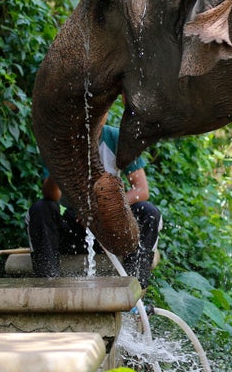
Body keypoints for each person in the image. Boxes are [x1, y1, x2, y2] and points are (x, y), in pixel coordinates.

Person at [28, 120, 161, 289]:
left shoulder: (116, 138)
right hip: (75, 230)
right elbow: (51, 195)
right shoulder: (59, 141)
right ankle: (48, 289)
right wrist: (61, 158)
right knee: (41, 209)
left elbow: (141, 190)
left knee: (148, 211)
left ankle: (135, 291)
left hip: (112, 231)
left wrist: (101, 210)